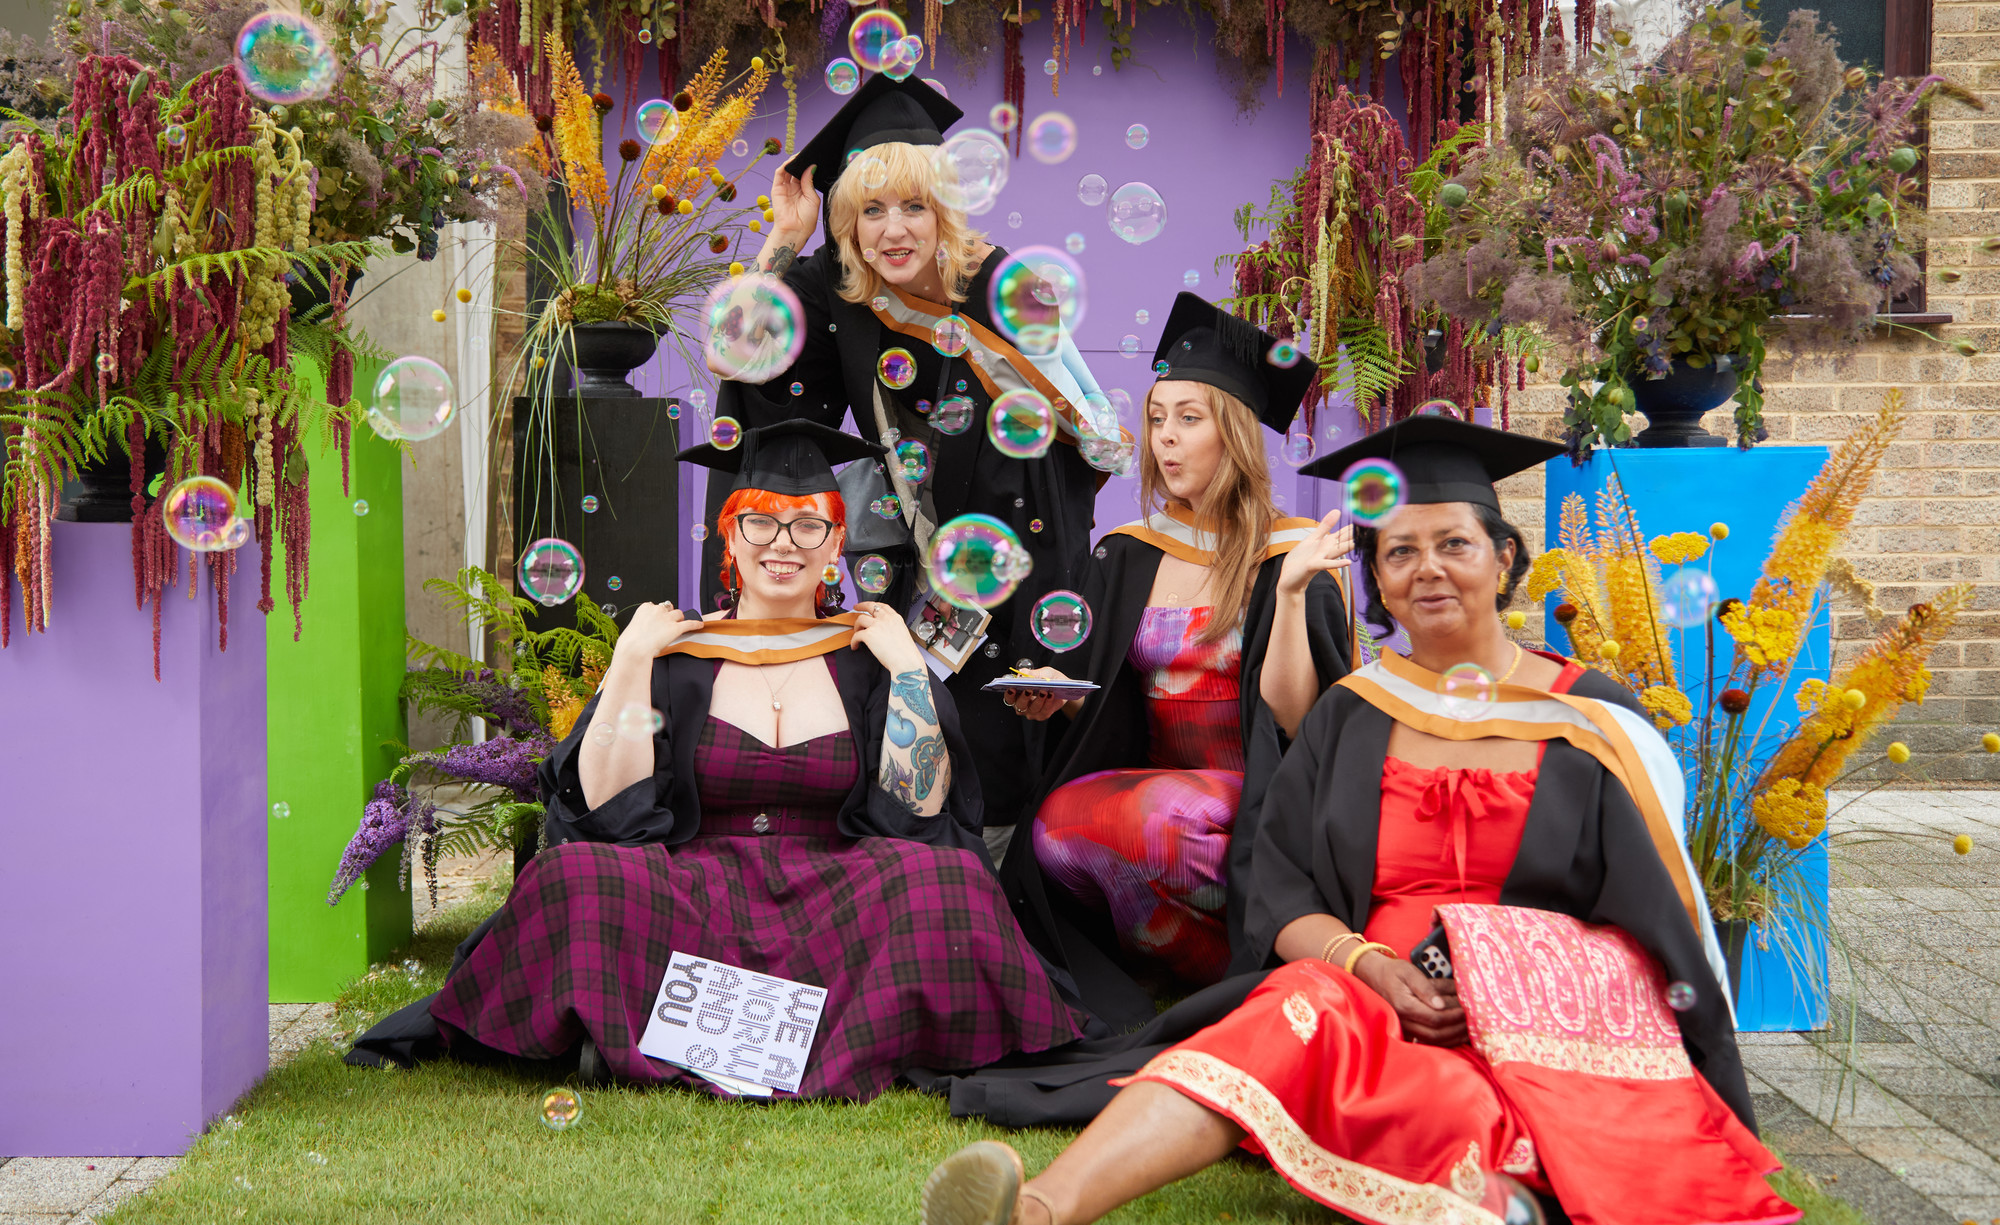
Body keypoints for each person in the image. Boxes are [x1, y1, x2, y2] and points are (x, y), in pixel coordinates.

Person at [911, 416, 1799, 1225]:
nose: (1428, 570)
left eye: (1453, 542)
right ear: (1375, 576)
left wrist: (1497, 980)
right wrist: (1366, 962)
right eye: (1398, 552)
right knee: (1287, 1007)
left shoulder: (1590, 720)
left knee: (1440, 1105)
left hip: (1533, 1037)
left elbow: (1658, 924)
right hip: (1369, 999)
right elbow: (1279, 889)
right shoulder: (1359, 712)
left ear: (1504, 558)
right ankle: (1032, 1217)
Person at [348, 420, 1079, 1100]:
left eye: (808, 524)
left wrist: (910, 671)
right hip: (698, 892)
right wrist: (632, 658)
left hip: (841, 892)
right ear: (730, 537)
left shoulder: (867, 660)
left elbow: (916, 814)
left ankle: (638, 1033)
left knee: (944, 877)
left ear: (835, 546)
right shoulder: (680, 655)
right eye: (760, 520)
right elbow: (610, 812)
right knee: (574, 873)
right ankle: (812, 1035)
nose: (782, 542)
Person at [706, 73, 1110, 863]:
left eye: (914, 206)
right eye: (871, 209)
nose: (894, 230)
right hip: (902, 567)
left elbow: (1067, 460)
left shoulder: (1001, 290)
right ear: (847, 219)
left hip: (1014, 575)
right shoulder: (838, 286)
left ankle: (986, 907)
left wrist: (1045, 637)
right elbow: (755, 366)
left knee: (993, 760)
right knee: (897, 748)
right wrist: (785, 239)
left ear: (947, 211)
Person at [994, 293, 1352, 1027]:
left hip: (1259, 802)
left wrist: (1287, 597)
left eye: (1190, 419)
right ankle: (1216, 972)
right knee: (1056, 829)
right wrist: (1063, 693)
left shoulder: (1296, 554)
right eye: (1158, 418)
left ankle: (1232, 970)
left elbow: (1297, 719)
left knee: (1161, 822)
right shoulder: (1131, 552)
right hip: (1160, 786)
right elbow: (1111, 702)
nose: (1166, 439)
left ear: (1235, 433)